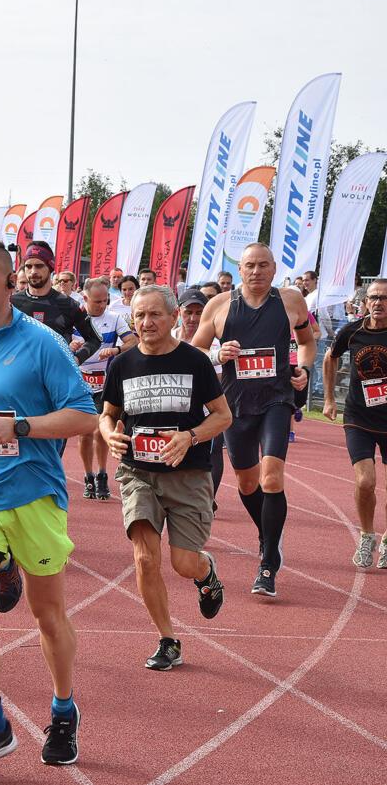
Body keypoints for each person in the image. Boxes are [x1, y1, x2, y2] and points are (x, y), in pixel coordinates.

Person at [0, 238, 97, 770]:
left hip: (34, 493)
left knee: (47, 614)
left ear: (11, 284)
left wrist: (21, 427)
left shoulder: (43, 344)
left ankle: (64, 709)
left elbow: (84, 416)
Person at [100, 286, 231, 670]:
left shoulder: (195, 361)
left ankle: (206, 572)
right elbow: (107, 415)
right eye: (139, 315)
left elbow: (223, 416)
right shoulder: (122, 364)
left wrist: (190, 437)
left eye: (155, 314)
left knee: (183, 563)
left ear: (174, 317)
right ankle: (167, 639)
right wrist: (109, 435)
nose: (146, 322)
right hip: (138, 473)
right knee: (144, 558)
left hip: (188, 475)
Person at [192, 242, 315, 598]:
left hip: (277, 399)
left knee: (271, 477)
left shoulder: (291, 301)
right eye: (250, 265)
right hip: (236, 405)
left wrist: (304, 369)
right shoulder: (219, 305)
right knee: (247, 484)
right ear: (240, 269)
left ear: (274, 268)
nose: (257, 271)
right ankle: (267, 534)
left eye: (263, 265)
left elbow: (307, 342)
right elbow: (196, 349)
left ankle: (268, 563)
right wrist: (218, 354)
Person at [323, 278, 387, 568]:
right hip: (359, 417)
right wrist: (329, 399)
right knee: (365, 481)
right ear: (365, 302)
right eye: (373, 297)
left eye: (384, 298)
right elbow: (330, 358)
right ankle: (367, 535)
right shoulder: (352, 331)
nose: (378, 303)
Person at [73, 277, 136, 500]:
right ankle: (88, 476)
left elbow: (133, 342)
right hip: (80, 382)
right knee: (84, 433)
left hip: (104, 382)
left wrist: (116, 350)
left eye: (105, 300)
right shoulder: (74, 319)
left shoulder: (114, 317)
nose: (102, 305)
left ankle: (101, 474)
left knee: (101, 431)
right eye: (97, 301)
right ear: (85, 298)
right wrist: (69, 345)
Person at [174, 288, 227, 505]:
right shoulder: (168, 338)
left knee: (212, 453)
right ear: (179, 312)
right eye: (188, 312)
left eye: (199, 313)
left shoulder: (215, 344)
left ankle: (208, 500)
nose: (193, 318)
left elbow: (220, 380)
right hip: (174, 409)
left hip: (206, 411)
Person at [11, 242, 101, 365]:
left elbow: (94, 339)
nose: (33, 271)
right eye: (28, 266)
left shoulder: (69, 304)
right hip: (19, 372)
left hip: (55, 374)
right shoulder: (11, 303)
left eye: (39, 266)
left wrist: (76, 359)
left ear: (50, 267)